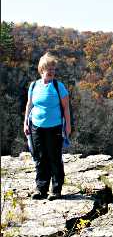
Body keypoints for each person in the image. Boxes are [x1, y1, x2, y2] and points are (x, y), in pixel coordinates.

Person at [23, 52, 71, 201]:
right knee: (40, 157)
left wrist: (67, 126)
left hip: (54, 127)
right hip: (36, 127)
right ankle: (41, 189)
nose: (51, 71)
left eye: (53, 69)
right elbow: (29, 104)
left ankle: (56, 190)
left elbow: (66, 108)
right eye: (48, 68)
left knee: (54, 158)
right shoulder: (34, 85)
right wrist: (26, 122)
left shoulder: (59, 87)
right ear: (41, 69)